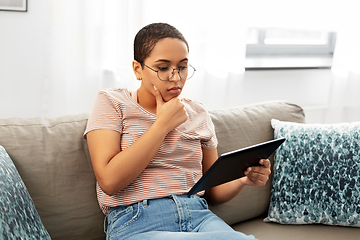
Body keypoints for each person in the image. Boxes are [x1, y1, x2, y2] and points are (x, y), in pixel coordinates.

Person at [84, 23, 271, 240]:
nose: (176, 78)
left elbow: (213, 189)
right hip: (137, 222)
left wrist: (241, 179)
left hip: (199, 217)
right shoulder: (112, 102)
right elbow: (109, 181)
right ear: (137, 69)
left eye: (182, 67)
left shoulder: (198, 112)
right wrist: (162, 125)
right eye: (163, 68)